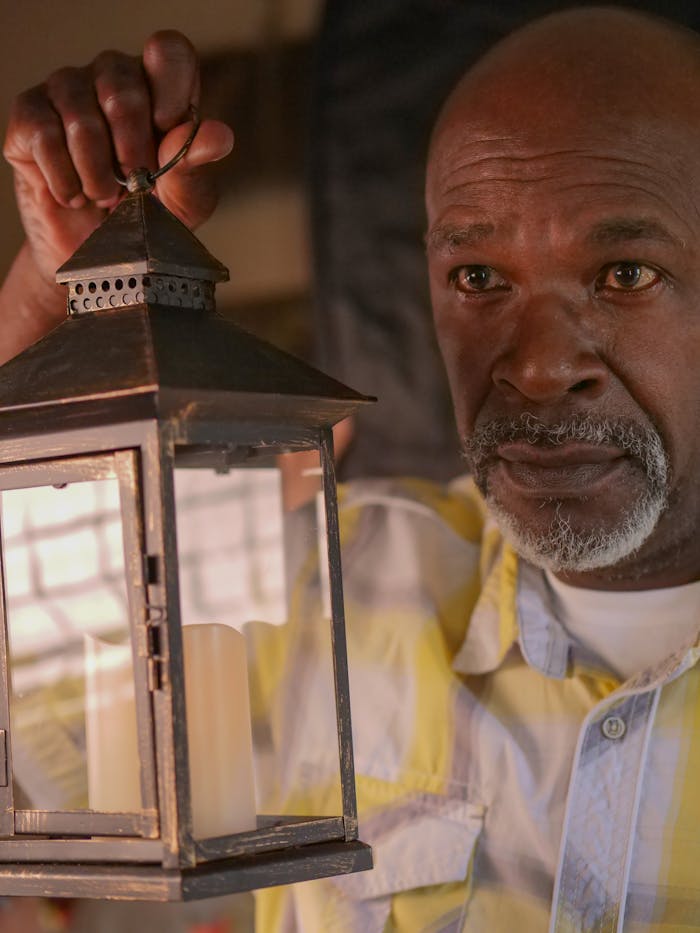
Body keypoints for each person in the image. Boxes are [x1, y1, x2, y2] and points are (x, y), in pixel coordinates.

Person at [4, 6, 700, 931]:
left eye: (624, 273)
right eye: (479, 278)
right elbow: (74, 768)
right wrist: (64, 323)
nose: (535, 367)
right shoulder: (325, 582)